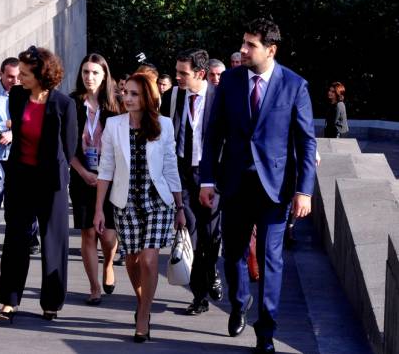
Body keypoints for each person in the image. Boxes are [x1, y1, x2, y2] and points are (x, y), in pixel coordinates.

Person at [199, 18, 316, 354]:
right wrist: (207, 179)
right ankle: (239, 302)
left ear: (271, 49)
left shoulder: (294, 85)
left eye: (251, 45)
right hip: (234, 184)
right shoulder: (231, 82)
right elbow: (213, 135)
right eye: (243, 42)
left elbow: (306, 142)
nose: (243, 50)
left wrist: (304, 190)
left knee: (270, 259)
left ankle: (266, 331)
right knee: (233, 253)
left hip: (275, 189)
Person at [94, 73, 185, 343]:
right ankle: (141, 300)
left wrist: (180, 206)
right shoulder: (113, 125)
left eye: (135, 94)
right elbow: (105, 169)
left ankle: (143, 315)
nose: (128, 98)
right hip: (125, 202)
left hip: (157, 201)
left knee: (148, 259)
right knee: (132, 261)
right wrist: (99, 209)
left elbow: (170, 167)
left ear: (146, 97)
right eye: (126, 93)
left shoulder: (164, 125)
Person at [0, 46, 77, 323]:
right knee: (16, 239)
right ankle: (9, 300)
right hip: (21, 179)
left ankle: (51, 302)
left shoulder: (64, 104)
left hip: (51, 182)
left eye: (25, 73)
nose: (19, 78)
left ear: (41, 74)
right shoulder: (17, 97)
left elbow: (69, 147)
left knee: (53, 241)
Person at [161, 48, 223, 316]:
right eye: (176, 72)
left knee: (211, 237)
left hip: (213, 178)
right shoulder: (174, 96)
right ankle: (199, 296)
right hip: (184, 175)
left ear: (200, 73)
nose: (178, 77)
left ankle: (212, 275)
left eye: (183, 73)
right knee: (192, 235)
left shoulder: (220, 98)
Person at [69, 54, 121, 306]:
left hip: (111, 179)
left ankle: (109, 262)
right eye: (85, 72)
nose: (89, 77)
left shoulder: (116, 105)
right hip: (81, 177)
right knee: (88, 233)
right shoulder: (72, 103)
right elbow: (65, 145)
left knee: (108, 236)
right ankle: (94, 287)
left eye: (95, 73)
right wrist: (81, 171)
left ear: (104, 76)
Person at [0, 57, 40, 259]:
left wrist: (14, 133)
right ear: (1, 74)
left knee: (22, 201)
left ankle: (30, 238)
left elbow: (32, 126)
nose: (15, 81)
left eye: (18, 77)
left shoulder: (27, 95)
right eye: (10, 77)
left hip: (19, 155)